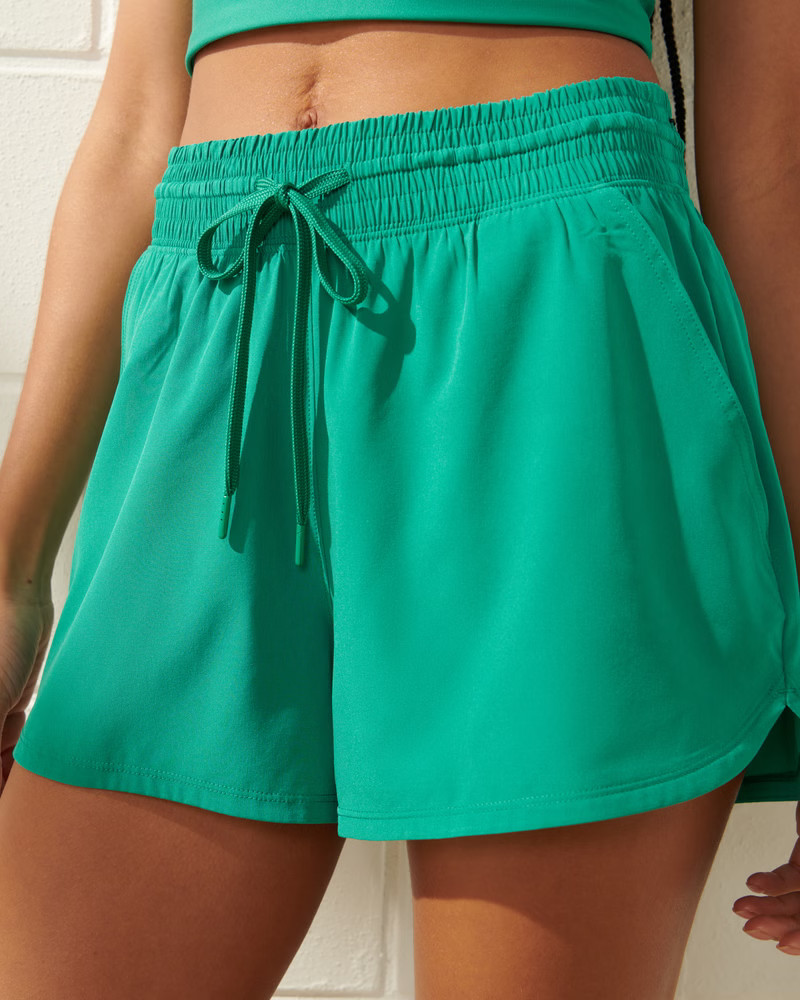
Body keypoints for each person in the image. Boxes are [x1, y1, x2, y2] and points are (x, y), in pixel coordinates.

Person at [0, 0, 798, 996]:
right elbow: (132, 132)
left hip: (550, 326)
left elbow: (771, 173)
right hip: (213, 322)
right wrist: (10, 572)